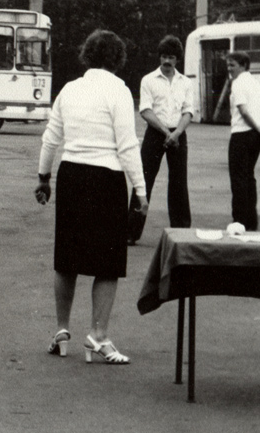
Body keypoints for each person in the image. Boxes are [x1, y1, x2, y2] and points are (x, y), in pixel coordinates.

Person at [34, 30, 147, 365]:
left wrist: (44, 178)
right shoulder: (120, 91)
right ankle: (98, 336)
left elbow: (50, 139)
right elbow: (127, 146)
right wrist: (140, 189)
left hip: (71, 176)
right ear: (117, 58)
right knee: (107, 263)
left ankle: (61, 330)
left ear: (86, 55)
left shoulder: (69, 90)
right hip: (106, 179)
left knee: (67, 258)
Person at [137, 35, 194, 232]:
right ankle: (131, 231)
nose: (167, 61)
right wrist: (165, 132)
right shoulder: (148, 80)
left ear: (177, 59)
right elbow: (145, 110)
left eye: (171, 57)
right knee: (143, 179)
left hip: (178, 134)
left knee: (179, 182)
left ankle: (181, 229)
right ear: (159, 57)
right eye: (163, 56)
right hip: (155, 133)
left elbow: (188, 111)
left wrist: (176, 133)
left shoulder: (185, 82)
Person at [225, 51, 260, 231]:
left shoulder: (238, 83)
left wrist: (259, 128)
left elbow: (243, 111)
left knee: (238, 179)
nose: (229, 69)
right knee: (248, 177)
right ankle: (251, 221)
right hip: (256, 136)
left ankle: (239, 221)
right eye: (228, 65)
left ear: (243, 65)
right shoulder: (256, 83)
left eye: (232, 65)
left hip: (242, 133)